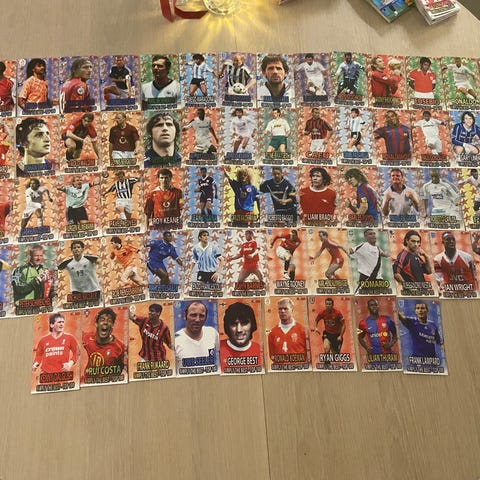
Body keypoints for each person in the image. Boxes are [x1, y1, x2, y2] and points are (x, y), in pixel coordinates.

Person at [82, 307, 126, 380]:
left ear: (112, 325)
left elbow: (129, 369)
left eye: (109, 320)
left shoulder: (120, 347)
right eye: (102, 320)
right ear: (96, 323)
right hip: (88, 381)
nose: (105, 322)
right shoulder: (87, 338)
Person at [175, 301, 219, 367]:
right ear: (185, 316)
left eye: (201, 316)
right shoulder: (175, 340)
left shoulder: (212, 333)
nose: (197, 320)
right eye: (193, 315)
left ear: (206, 318)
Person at [220, 302, 261, 372]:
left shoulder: (260, 351)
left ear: (252, 325)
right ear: (227, 327)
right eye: (234, 324)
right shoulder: (218, 349)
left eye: (244, 323)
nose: (239, 330)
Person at [268, 298, 308, 365]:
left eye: (285, 308)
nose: (282, 311)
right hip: (280, 369)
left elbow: (308, 354)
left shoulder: (303, 330)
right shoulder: (272, 333)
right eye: (280, 309)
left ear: (292, 309)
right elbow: (272, 356)